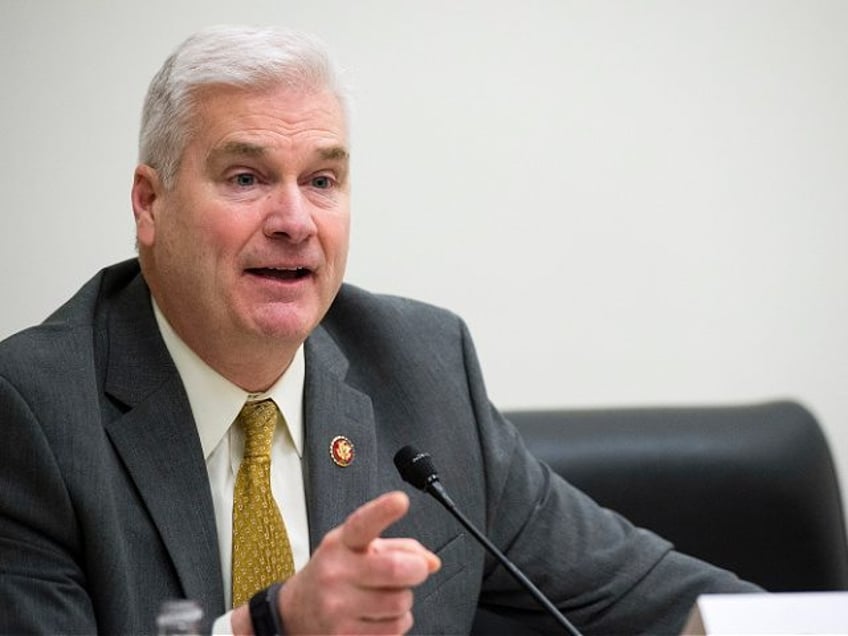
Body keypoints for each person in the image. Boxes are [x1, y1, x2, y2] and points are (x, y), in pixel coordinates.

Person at [0, 25, 760, 635]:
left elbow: (656, 599)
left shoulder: (424, 369)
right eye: (246, 177)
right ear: (149, 205)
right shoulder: (34, 414)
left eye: (322, 180)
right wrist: (270, 628)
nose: (295, 221)